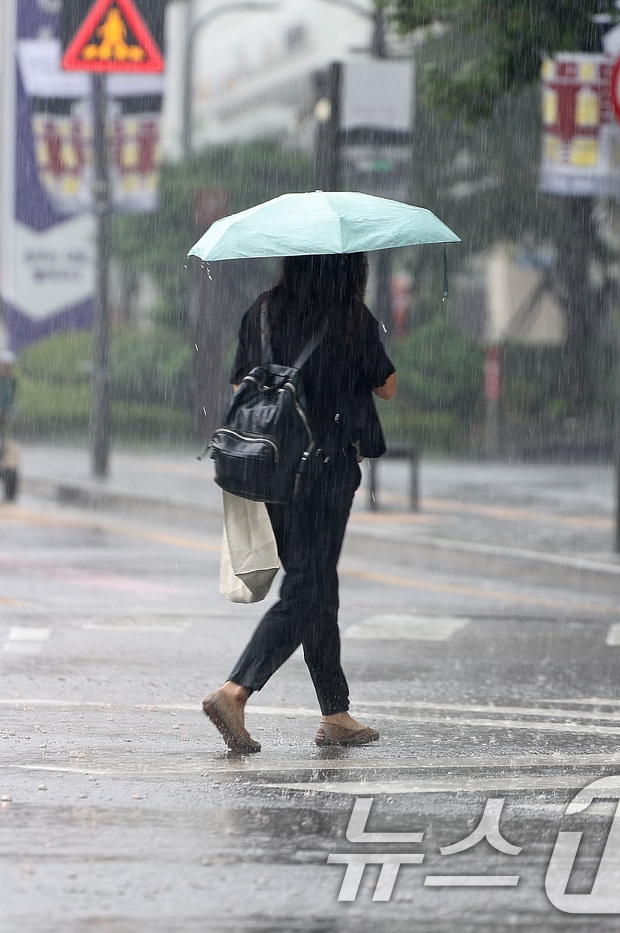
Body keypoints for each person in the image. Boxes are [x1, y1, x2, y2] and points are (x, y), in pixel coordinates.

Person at [202, 252, 397, 753]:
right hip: (325, 470)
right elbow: (387, 386)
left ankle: (336, 713)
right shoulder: (350, 317)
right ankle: (236, 690)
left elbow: (240, 386)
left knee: (316, 584)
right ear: (349, 267)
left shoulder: (263, 311)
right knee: (308, 590)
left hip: (270, 467)